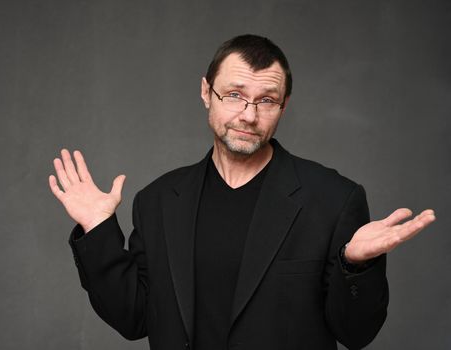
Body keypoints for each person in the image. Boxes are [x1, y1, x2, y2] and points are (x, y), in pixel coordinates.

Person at [49, 34, 435, 350]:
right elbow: (134, 319)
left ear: (283, 107)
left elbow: (356, 334)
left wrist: (355, 265)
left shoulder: (334, 198)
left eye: (266, 100)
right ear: (206, 93)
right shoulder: (158, 200)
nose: (249, 115)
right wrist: (99, 229)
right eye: (234, 94)